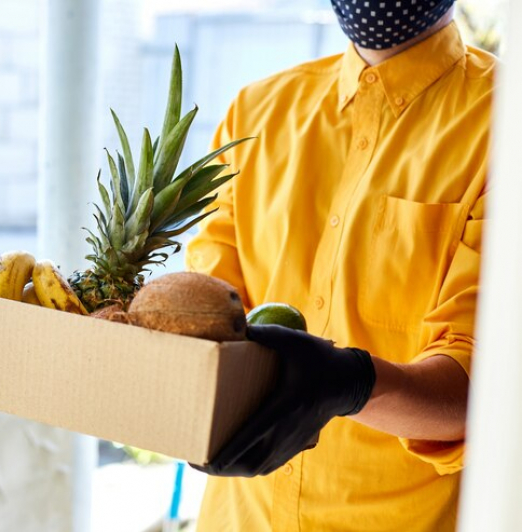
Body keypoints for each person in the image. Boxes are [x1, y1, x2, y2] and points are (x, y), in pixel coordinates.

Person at [185, 1, 494, 530]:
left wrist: (350, 385)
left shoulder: (505, 127)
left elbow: (486, 392)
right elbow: (203, 317)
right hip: (238, 519)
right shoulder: (253, 114)